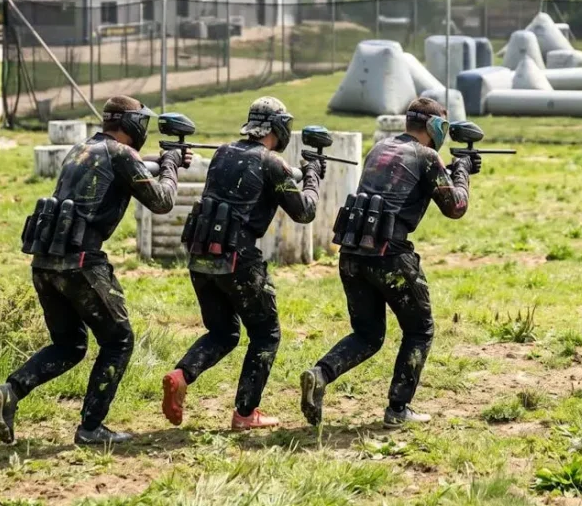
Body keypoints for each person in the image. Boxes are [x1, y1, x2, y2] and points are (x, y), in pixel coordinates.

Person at [0, 95, 187, 445]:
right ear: (131, 124)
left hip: (46, 262)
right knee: (119, 340)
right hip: (82, 264)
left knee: (69, 345)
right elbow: (162, 201)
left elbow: (127, 170)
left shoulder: (82, 149)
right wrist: (171, 167)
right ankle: (91, 428)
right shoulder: (122, 154)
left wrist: (161, 161)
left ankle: (11, 390)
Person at [299, 97, 476, 428]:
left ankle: (320, 373)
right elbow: (456, 207)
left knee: (367, 334)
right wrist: (462, 171)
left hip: (352, 252)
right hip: (390, 255)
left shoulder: (380, 148)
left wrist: (450, 172)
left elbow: (408, 184)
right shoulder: (426, 156)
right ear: (436, 127)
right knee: (420, 329)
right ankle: (398, 409)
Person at [160, 97, 322, 431]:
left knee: (223, 332)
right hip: (238, 258)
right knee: (266, 334)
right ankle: (245, 414)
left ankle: (181, 375)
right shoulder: (271, 163)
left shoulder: (223, 153)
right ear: (279, 128)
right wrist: (312, 176)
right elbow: (305, 212)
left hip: (200, 254)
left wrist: (292, 173)